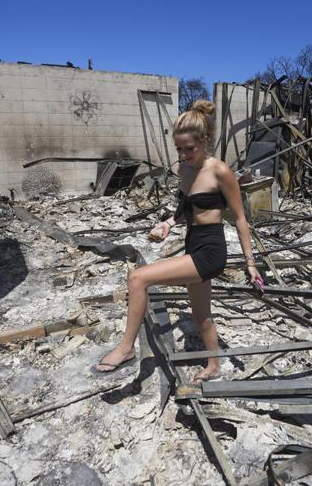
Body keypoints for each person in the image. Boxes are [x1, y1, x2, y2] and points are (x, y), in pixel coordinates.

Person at [93, 100, 263, 383]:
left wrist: (251, 263)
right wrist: (169, 223)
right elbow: (186, 206)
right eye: (179, 149)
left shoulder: (220, 171)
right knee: (200, 315)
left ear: (204, 141)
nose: (184, 155)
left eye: (189, 149)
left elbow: (240, 218)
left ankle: (126, 349)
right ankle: (214, 366)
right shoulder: (184, 170)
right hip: (192, 242)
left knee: (138, 278)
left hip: (210, 251)